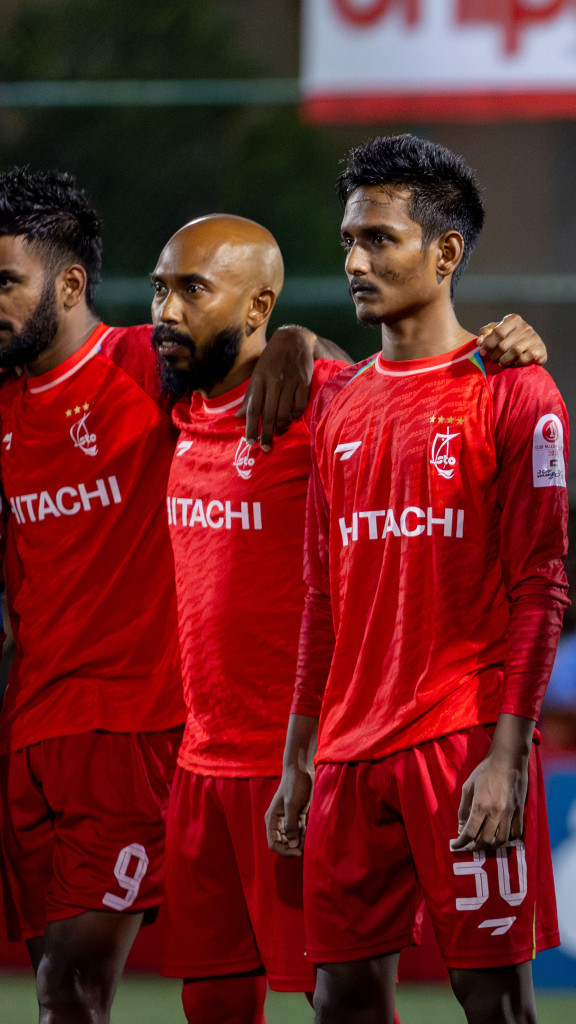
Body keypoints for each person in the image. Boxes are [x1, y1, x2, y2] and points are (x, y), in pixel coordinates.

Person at [0, 167, 331, 1023]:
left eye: (5, 281)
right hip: (30, 734)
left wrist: (303, 337)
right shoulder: (4, 402)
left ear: (69, 284)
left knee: (68, 984)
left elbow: (273, 359)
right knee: (61, 991)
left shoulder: (146, 368)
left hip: (136, 733)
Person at [270, 134, 567, 1024]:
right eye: (349, 242)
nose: (356, 261)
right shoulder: (339, 405)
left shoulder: (517, 393)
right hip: (350, 757)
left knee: (494, 1005)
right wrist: (299, 756)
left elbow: (542, 585)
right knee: (341, 1002)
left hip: (463, 740)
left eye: (379, 240)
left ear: (444, 253)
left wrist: (508, 756)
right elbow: (322, 597)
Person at [151, 214, 353, 1021]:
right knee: (213, 1004)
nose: (167, 309)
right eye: (162, 288)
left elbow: (399, 384)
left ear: (259, 302)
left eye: (192, 290)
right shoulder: (178, 405)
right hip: (199, 771)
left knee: (344, 1000)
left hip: (296, 765)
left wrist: (314, 344)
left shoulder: (314, 403)